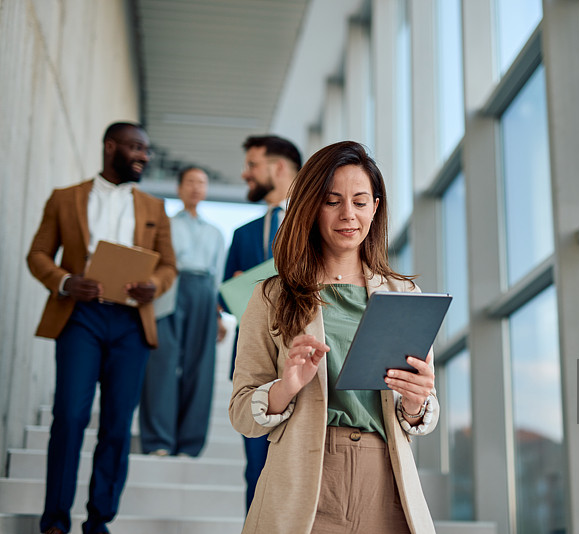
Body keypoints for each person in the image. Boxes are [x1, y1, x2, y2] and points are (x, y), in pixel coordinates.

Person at [229, 141, 439, 534]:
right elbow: (242, 411)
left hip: (387, 480)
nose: (348, 215)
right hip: (305, 480)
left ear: (375, 208)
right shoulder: (271, 296)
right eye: (332, 201)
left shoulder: (403, 296)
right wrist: (285, 387)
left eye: (360, 202)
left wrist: (416, 401)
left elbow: (419, 415)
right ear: (311, 206)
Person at [27, 122, 177, 534]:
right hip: (80, 317)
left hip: (130, 323)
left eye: (146, 149)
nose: (143, 156)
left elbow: (168, 265)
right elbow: (38, 254)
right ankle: (55, 521)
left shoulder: (155, 208)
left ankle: (98, 521)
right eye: (135, 148)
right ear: (110, 147)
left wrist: (154, 286)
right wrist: (64, 281)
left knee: (115, 425)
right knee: (70, 416)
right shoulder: (64, 199)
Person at [222, 134, 302, 512]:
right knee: (256, 468)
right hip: (255, 362)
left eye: (252, 165)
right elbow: (224, 297)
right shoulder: (242, 235)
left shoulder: (317, 225)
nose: (245, 173)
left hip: (305, 360)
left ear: (279, 167)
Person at [139, 166, 226, 457]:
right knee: (161, 364)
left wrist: (217, 315)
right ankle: (158, 441)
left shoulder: (215, 232)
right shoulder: (166, 224)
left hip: (204, 293)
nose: (195, 188)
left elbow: (218, 277)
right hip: (170, 290)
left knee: (200, 368)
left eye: (201, 183)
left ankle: (190, 444)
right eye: (190, 182)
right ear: (179, 188)